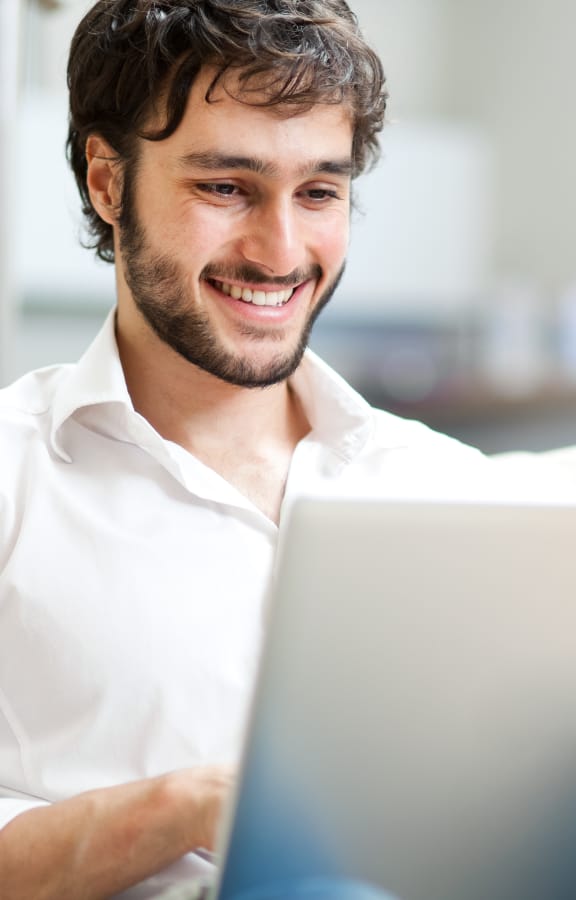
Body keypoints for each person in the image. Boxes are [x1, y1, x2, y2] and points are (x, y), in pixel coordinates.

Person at [0, 1, 486, 897]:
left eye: (320, 192)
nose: (282, 251)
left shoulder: (453, 491)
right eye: (225, 187)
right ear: (109, 184)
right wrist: (191, 808)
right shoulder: (12, 478)